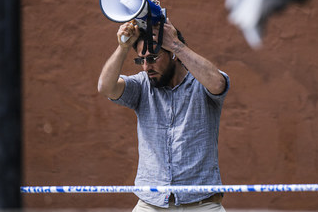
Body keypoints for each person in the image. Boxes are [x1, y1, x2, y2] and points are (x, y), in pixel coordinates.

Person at [97, 15, 230, 211]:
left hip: (202, 203)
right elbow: (105, 87)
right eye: (140, 60)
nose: (146, 66)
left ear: (172, 54)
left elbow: (218, 83)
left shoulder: (201, 83)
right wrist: (123, 47)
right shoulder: (142, 85)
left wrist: (176, 44)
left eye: (152, 59)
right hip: (151, 203)